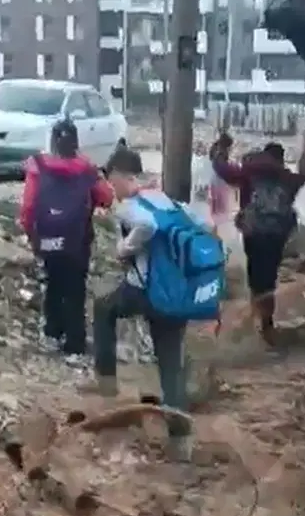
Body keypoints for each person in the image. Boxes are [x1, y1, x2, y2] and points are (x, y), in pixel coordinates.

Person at [94, 147, 227, 461]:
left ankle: (106, 382)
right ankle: (181, 442)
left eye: (112, 182)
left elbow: (147, 227)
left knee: (103, 308)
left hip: (145, 291)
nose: (112, 189)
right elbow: (205, 223)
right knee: (170, 366)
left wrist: (124, 248)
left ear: (122, 176)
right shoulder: (167, 201)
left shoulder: (130, 206)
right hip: (177, 296)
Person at [18, 119, 114, 359]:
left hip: (47, 237)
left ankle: (52, 333)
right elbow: (106, 197)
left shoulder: (39, 166)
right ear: (75, 142)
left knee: (53, 282)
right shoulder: (86, 168)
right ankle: (74, 342)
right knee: (75, 288)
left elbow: (28, 206)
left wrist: (32, 235)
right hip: (77, 239)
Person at [210, 132, 305, 344]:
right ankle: (267, 324)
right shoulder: (288, 179)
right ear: (280, 160)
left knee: (255, 272)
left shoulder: (248, 173)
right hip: (277, 234)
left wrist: (221, 148)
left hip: (253, 231)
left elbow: (221, 168)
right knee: (269, 277)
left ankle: (255, 310)